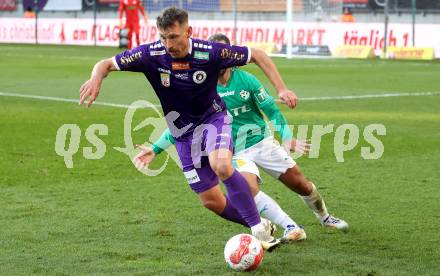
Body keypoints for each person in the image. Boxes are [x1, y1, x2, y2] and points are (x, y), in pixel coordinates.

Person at [79, 7, 298, 251]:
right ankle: (261, 223)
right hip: (182, 135)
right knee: (211, 200)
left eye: (173, 37)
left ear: (188, 32)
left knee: (222, 165)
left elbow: (257, 55)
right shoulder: (151, 54)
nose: (167, 43)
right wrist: (96, 78)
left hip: (214, 119)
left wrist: (281, 89)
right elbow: (105, 64)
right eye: (163, 37)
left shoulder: (211, 52)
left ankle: (257, 228)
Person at [137, 34, 349, 238]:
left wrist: (287, 136)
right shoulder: (199, 86)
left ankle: (325, 217)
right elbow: (183, 125)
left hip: (261, 142)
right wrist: (155, 149)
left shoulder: (247, 80)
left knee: (301, 184)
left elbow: (273, 112)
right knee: (247, 188)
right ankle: (290, 226)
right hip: (233, 151)